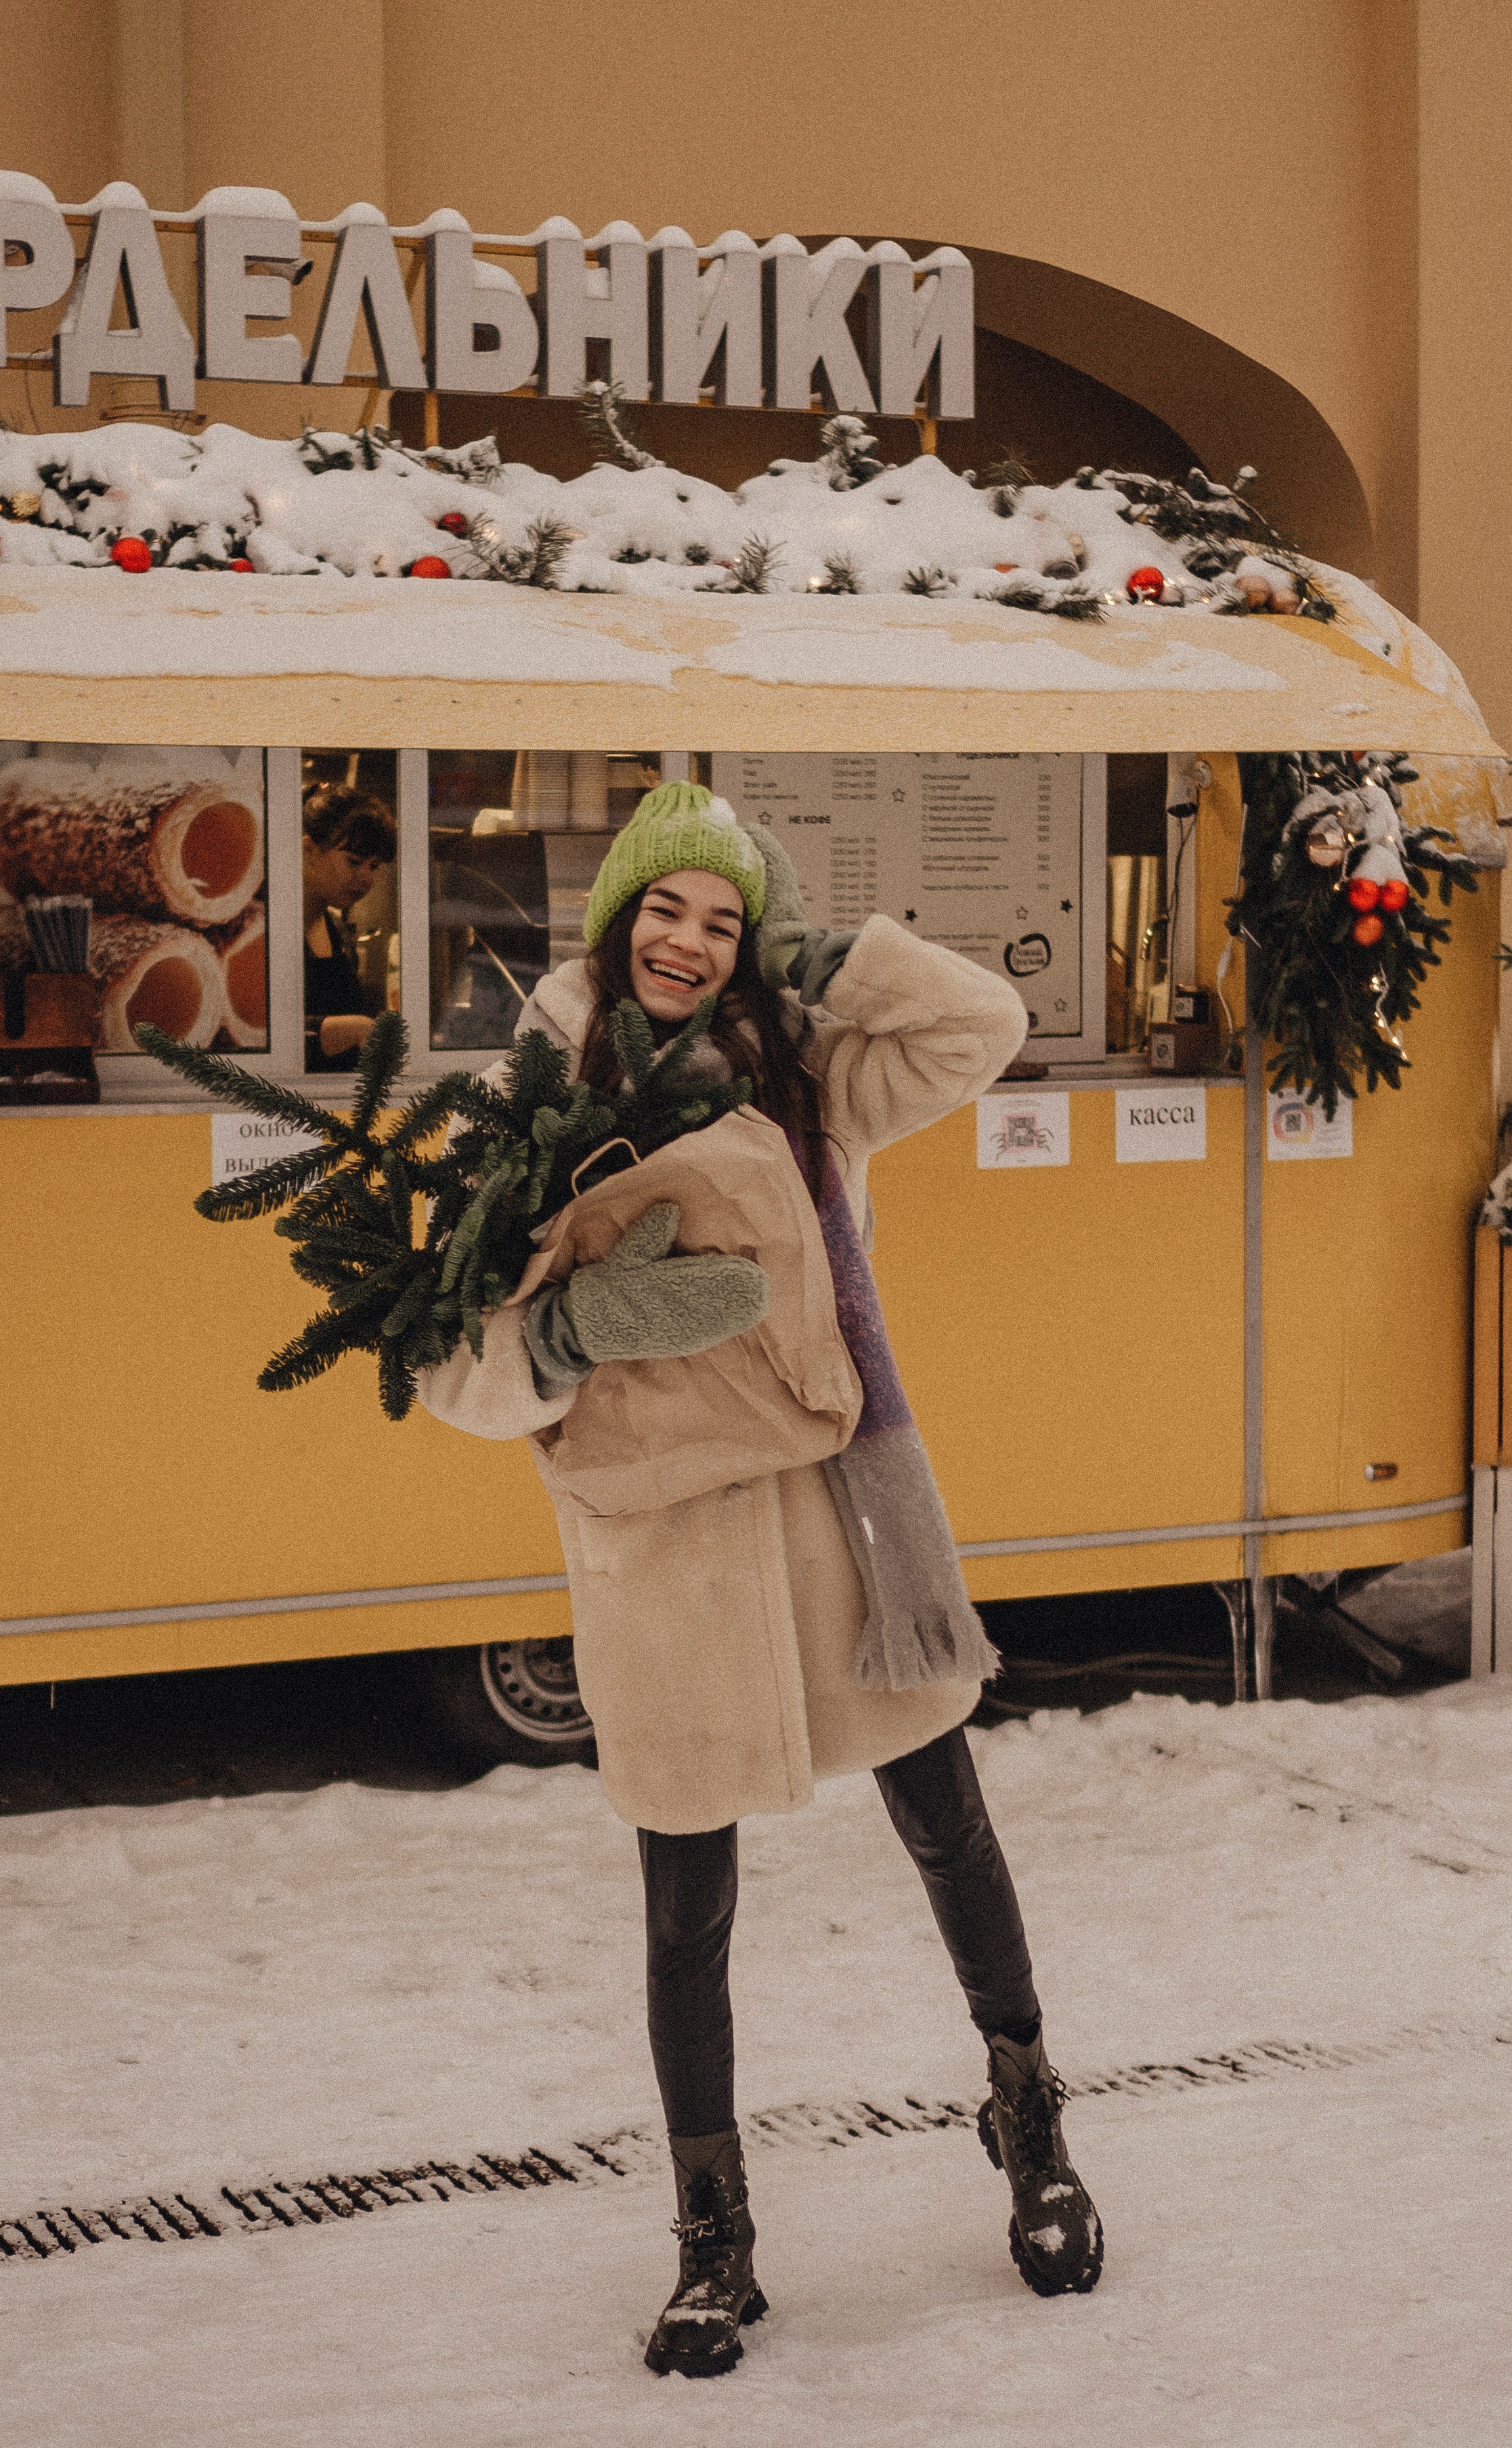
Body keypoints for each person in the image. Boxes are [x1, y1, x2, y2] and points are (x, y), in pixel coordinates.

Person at [417, 781, 1102, 2377]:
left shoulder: (805, 1078)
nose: (688, 940)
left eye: (722, 921)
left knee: (950, 1828)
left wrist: (822, 951)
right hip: (663, 1555)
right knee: (686, 1908)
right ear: (614, 918)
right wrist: (571, 1337)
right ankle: (713, 2237)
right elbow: (450, 1365)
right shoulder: (533, 1101)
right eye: (666, 908)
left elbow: (979, 1024)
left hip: (838, 1525)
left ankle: (1032, 2127)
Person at [301, 781, 396, 1072]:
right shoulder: (263, 929)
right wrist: (330, 1030)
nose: (366, 878)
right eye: (354, 862)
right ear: (308, 850)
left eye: (374, 867)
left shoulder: (337, 930)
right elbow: (254, 1034)